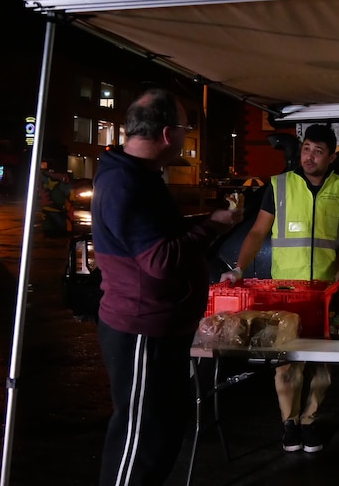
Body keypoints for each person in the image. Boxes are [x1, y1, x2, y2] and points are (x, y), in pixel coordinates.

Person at [91, 88, 243, 486]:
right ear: (166, 134)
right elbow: (159, 260)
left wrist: (205, 220)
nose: (184, 136)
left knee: (161, 434)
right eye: (184, 128)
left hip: (162, 329)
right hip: (142, 330)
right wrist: (214, 226)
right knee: (138, 440)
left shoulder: (139, 176)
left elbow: (165, 234)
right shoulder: (126, 184)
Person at [219, 124, 339, 454]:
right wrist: (237, 268)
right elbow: (256, 232)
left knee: (322, 366)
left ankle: (310, 421)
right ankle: (289, 424)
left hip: (326, 292)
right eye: (306, 148)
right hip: (286, 293)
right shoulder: (278, 186)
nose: (309, 156)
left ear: (332, 157)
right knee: (287, 362)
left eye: (318, 151)